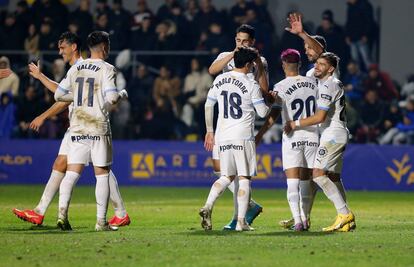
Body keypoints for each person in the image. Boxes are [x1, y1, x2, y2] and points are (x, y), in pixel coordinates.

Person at [13, 32, 130, 230]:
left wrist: (43, 116)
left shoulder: (79, 68)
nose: (60, 52)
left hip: (79, 126)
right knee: (94, 169)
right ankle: (43, 212)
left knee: (93, 171)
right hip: (87, 125)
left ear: (74, 47)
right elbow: (68, 96)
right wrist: (41, 76)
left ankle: (118, 213)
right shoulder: (95, 68)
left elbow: (63, 98)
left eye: (62, 47)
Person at [279, 13, 347, 230]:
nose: (307, 51)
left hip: (325, 131)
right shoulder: (314, 73)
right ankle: (307, 215)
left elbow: (318, 51)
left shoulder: (324, 72)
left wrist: (302, 34)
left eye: (309, 48)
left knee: (316, 176)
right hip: (327, 130)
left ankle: (335, 214)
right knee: (330, 176)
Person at [199, 47, 274, 231]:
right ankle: (241, 222)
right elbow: (263, 113)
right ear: (249, 65)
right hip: (243, 136)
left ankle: (208, 206)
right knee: (245, 178)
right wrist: (271, 100)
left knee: (226, 176)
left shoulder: (220, 80)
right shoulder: (251, 84)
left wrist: (210, 130)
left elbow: (208, 105)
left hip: (223, 136)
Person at [285, 52, 356, 232]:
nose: (317, 66)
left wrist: (296, 123)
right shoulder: (330, 83)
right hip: (336, 133)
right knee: (333, 177)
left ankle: (344, 213)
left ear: (331, 69)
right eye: (316, 63)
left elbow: (320, 116)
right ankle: (347, 220)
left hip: (332, 134)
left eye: (322, 64)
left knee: (317, 174)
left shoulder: (328, 86)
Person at [256, 49, 318, 231]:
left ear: (283, 65)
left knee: (292, 182)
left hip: (292, 137)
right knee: (306, 180)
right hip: (312, 135)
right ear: (299, 64)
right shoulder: (313, 83)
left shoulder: (281, 87)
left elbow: (273, 114)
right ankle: (306, 220)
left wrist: (259, 135)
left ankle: (298, 221)